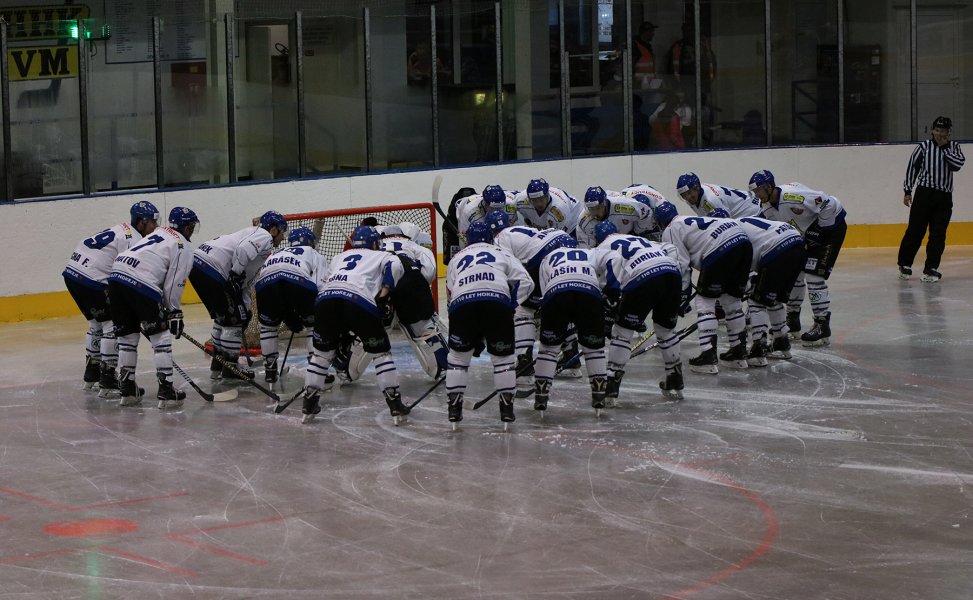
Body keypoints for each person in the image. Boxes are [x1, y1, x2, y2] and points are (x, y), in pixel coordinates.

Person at [299, 225, 408, 424]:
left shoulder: (339, 257)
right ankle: (395, 405)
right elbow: (395, 269)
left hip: (325, 301)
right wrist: (383, 298)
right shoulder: (383, 255)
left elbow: (326, 285)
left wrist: (339, 331)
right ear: (374, 243)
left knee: (321, 355)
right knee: (380, 353)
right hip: (358, 300)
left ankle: (309, 403)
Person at [62, 201, 160, 397]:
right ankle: (107, 378)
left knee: (95, 325)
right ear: (141, 223)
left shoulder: (121, 229)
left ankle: (92, 373)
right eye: (153, 223)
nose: (155, 227)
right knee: (111, 326)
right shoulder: (133, 240)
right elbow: (126, 279)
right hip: (92, 280)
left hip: (72, 275)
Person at [106, 207, 199, 409]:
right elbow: (174, 282)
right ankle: (166, 390)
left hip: (115, 277)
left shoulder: (159, 233)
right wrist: (173, 311)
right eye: (192, 226)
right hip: (141, 282)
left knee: (127, 339)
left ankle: (127, 389)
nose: (192, 230)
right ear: (186, 226)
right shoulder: (181, 245)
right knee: (161, 338)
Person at [444, 221, 534, 428]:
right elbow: (526, 282)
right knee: (503, 359)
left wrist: (472, 333)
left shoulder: (457, 258)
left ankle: (454, 410)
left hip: (462, 304)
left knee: (458, 358)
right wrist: (511, 305)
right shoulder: (502, 252)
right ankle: (506, 410)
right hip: (497, 302)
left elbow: (451, 292)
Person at [750, 170, 848, 346]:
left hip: (831, 230)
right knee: (794, 275)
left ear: (769, 187)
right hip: (809, 236)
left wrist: (821, 231)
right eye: (755, 192)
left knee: (813, 276)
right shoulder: (766, 208)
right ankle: (792, 320)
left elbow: (829, 203)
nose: (757, 195)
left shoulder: (792, 197)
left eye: (759, 191)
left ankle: (822, 324)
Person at [657, 201, 753, 374]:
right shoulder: (689, 220)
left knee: (704, 302)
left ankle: (708, 355)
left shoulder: (670, 229)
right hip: (743, 241)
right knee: (731, 302)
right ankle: (739, 352)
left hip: (720, 247)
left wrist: (682, 296)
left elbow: (681, 265)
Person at [189, 211, 287, 380]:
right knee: (234, 320)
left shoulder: (253, 235)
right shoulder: (264, 237)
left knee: (224, 316)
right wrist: (235, 274)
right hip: (213, 270)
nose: (283, 237)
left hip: (198, 266)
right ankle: (231, 369)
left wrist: (246, 306)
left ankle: (217, 364)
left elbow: (245, 283)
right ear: (273, 230)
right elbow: (242, 250)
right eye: (282, 231)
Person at [594, 221, 685, 401]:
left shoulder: (602, 248)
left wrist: (609, 311)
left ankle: (611, 383)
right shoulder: (636, 238)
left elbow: (609, 285)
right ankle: (675, 376)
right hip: (672, 272)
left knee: (622, 332)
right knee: (666, 330)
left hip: (644, 276)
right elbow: (671, 249)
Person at [486, 210, 573, 393]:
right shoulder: (519, 230)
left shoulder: (500, 239)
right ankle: (572, 356)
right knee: (560, 304)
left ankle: (524, 364)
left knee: (523, 310)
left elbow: (511, 272)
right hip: (565, 243)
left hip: (544, 254)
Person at [533, 237, 609, 413]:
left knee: (549, 348)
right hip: (589, 293)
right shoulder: (589, 252)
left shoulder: (548, 258)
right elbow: (605, 272)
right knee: (593, 348)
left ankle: (541, 394)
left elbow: (545, 293)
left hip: (557, 292)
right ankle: (599, 392)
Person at [253, 227, 329, 386]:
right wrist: (311, 312)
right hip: (297, 281)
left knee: (268, 327)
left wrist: (286, 312)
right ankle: (316, 369)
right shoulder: (313, 253)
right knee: (313, 326)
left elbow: (268, 279)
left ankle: (270, 371)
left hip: (264, 286)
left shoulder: (275, 252)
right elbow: (319, 286)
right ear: (311, 242)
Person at [731, 213, 806, 365]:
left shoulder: (731, 232)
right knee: (774, 299)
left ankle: (759, 349)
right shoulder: (742, 221)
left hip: (777, 249)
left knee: (757, 301)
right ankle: (781, 342)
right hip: (798, 245)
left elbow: (743, 264)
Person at [898, 115, 965, 282]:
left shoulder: (954, 147)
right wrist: (907, 191)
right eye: (937, 130)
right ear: (933, 130)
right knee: (915, 230)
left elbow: (956, 166)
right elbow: (912, 168)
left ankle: (931, 268)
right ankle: (905, 264)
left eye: (944, 131)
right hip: (924, 194)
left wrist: (944, 148)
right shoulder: (924, 147)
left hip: (944, 197)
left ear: (949, 133)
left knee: (938, 234)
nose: (940, 133)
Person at [379, 224, 448, 379]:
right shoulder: (416, 247)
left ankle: (346, 370)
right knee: (425, 329)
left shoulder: (376, 246)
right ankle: (442, 366)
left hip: (383, 289)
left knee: (371, 332)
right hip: (411, 284)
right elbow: (428, 274)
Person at [576, 186, 657, 248]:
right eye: (591, 209)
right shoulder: (583, 221)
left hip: (633, 235)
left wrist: (637, 232)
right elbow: (587, 251)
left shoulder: (625, 205)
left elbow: (646, 214)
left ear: (604, 203)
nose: (595, 212)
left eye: (598, 208)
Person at [455, 184, 519, 248]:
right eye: (492, 208)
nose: (496, 211)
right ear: (484, 204)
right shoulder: (470, 212)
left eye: (500, 208)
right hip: (461, 213)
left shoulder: (511, 207)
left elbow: (515, 235)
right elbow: (465, 243)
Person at [512, 178, 582, 235]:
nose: (539, 204)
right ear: (529, 199)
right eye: (534, 200)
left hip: (572, 219)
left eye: (541, 199)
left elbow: (558, 236)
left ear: (547, 195)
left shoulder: (559, 209)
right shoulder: (520, 200)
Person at [675, 172, 761, 217]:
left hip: (753, 211)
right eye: (683, 195)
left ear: (697, 188)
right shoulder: (694, 198)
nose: (687, 197)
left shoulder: (711, 200)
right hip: (746, 211)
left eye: (689, 193)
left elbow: (727, 224)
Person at [443, 186, 477, 265]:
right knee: (452, 260)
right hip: (453, 231)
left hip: (471, 233)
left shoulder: (476, 208)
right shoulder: (451, 217)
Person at [632, 21, 661, 93]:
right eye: (651, 31)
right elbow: (631, 67)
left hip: (649, 86)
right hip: (639, 86)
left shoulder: (647, 47)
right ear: (645, 32)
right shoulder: (636, 47)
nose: (653, 34)